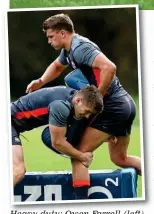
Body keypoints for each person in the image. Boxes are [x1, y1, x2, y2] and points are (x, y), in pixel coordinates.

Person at [26, 13, 141, 199]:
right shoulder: (69, 50)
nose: (48, 41)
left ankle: (82, 205)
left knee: (79, 154)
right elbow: (57, 66)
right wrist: (40, 81)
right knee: (120, 159)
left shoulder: (80, 48)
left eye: (50, 36)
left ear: (63, 33)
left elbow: (109, 67)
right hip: (125, 104)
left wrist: (98, 96)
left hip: (113, 106)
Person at [11, 85, 103, 187]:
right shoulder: (61, 106)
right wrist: (81, 156)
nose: (87, 116)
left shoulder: (74, 98)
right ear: (78, 101)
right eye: (87, 111)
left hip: (12, 124)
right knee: (18, 170)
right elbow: (57, 143)